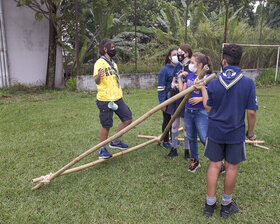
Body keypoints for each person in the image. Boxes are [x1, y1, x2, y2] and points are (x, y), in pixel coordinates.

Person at [201, 44, 258, 218]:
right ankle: (226, 205)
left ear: (224, 61)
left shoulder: (214, 82)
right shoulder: (248, 82)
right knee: (232, 168)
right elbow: (252, 112)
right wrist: (250, 133)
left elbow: (208, 108)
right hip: (235, 132)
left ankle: (209, 206)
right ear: (239, 61)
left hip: (215, 131)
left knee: (214, 165)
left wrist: (202, 88)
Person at [93, 39, 133, 159]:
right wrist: (98, 76)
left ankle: (115, 141)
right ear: (105, 49)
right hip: (105, 99)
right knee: (106, 125)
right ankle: (102, 150)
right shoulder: (100, 62)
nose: (114, 49)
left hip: (117, 98)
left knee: (128, 119)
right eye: (112, 47)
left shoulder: (113, 64)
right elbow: (96, 80)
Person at [178, 52, 213, 172]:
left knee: (204, 138)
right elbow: (183, 92)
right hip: (188, 111)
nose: (190, 64)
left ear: (200, 65)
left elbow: (214, 97)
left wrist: (201, 98)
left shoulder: (209, 78)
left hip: (201, 112)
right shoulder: (190, 76)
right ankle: (195, 161)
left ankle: (218, 162)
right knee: (191, 137)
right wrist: (179, 78)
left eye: (192, 62)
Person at [165, 44, 192, 160]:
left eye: (180, 53)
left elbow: (191, 82)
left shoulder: (191, 66)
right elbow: (173, 80)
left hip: (185, 98)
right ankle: (174, 149)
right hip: (175, 96)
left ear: (186, 53)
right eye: (177, 53)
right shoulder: (177, 66)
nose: (178, 56)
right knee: (174, 125)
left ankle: (187, 151)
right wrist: (173, 84)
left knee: (186, 127)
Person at [158, 48, 178, 150]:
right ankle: (165, 141)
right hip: (168, 99)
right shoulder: (165, 70)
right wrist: (163, 103)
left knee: (175, 120)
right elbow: (161, 88)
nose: (176, 56)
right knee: (167, 120)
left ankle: (174, 139)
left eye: (178, 54)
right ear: (169, 57)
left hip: (178, 100)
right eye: (174, 55)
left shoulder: (180, 68)